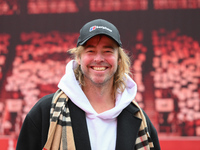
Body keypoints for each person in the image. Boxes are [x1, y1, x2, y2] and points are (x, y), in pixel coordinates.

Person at [16, 19, 160, 150]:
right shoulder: (45, 112)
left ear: (119, 59)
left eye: (108, 51)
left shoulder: (139, 119)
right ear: (78, 58)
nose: (98, 58)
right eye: (90, 51)